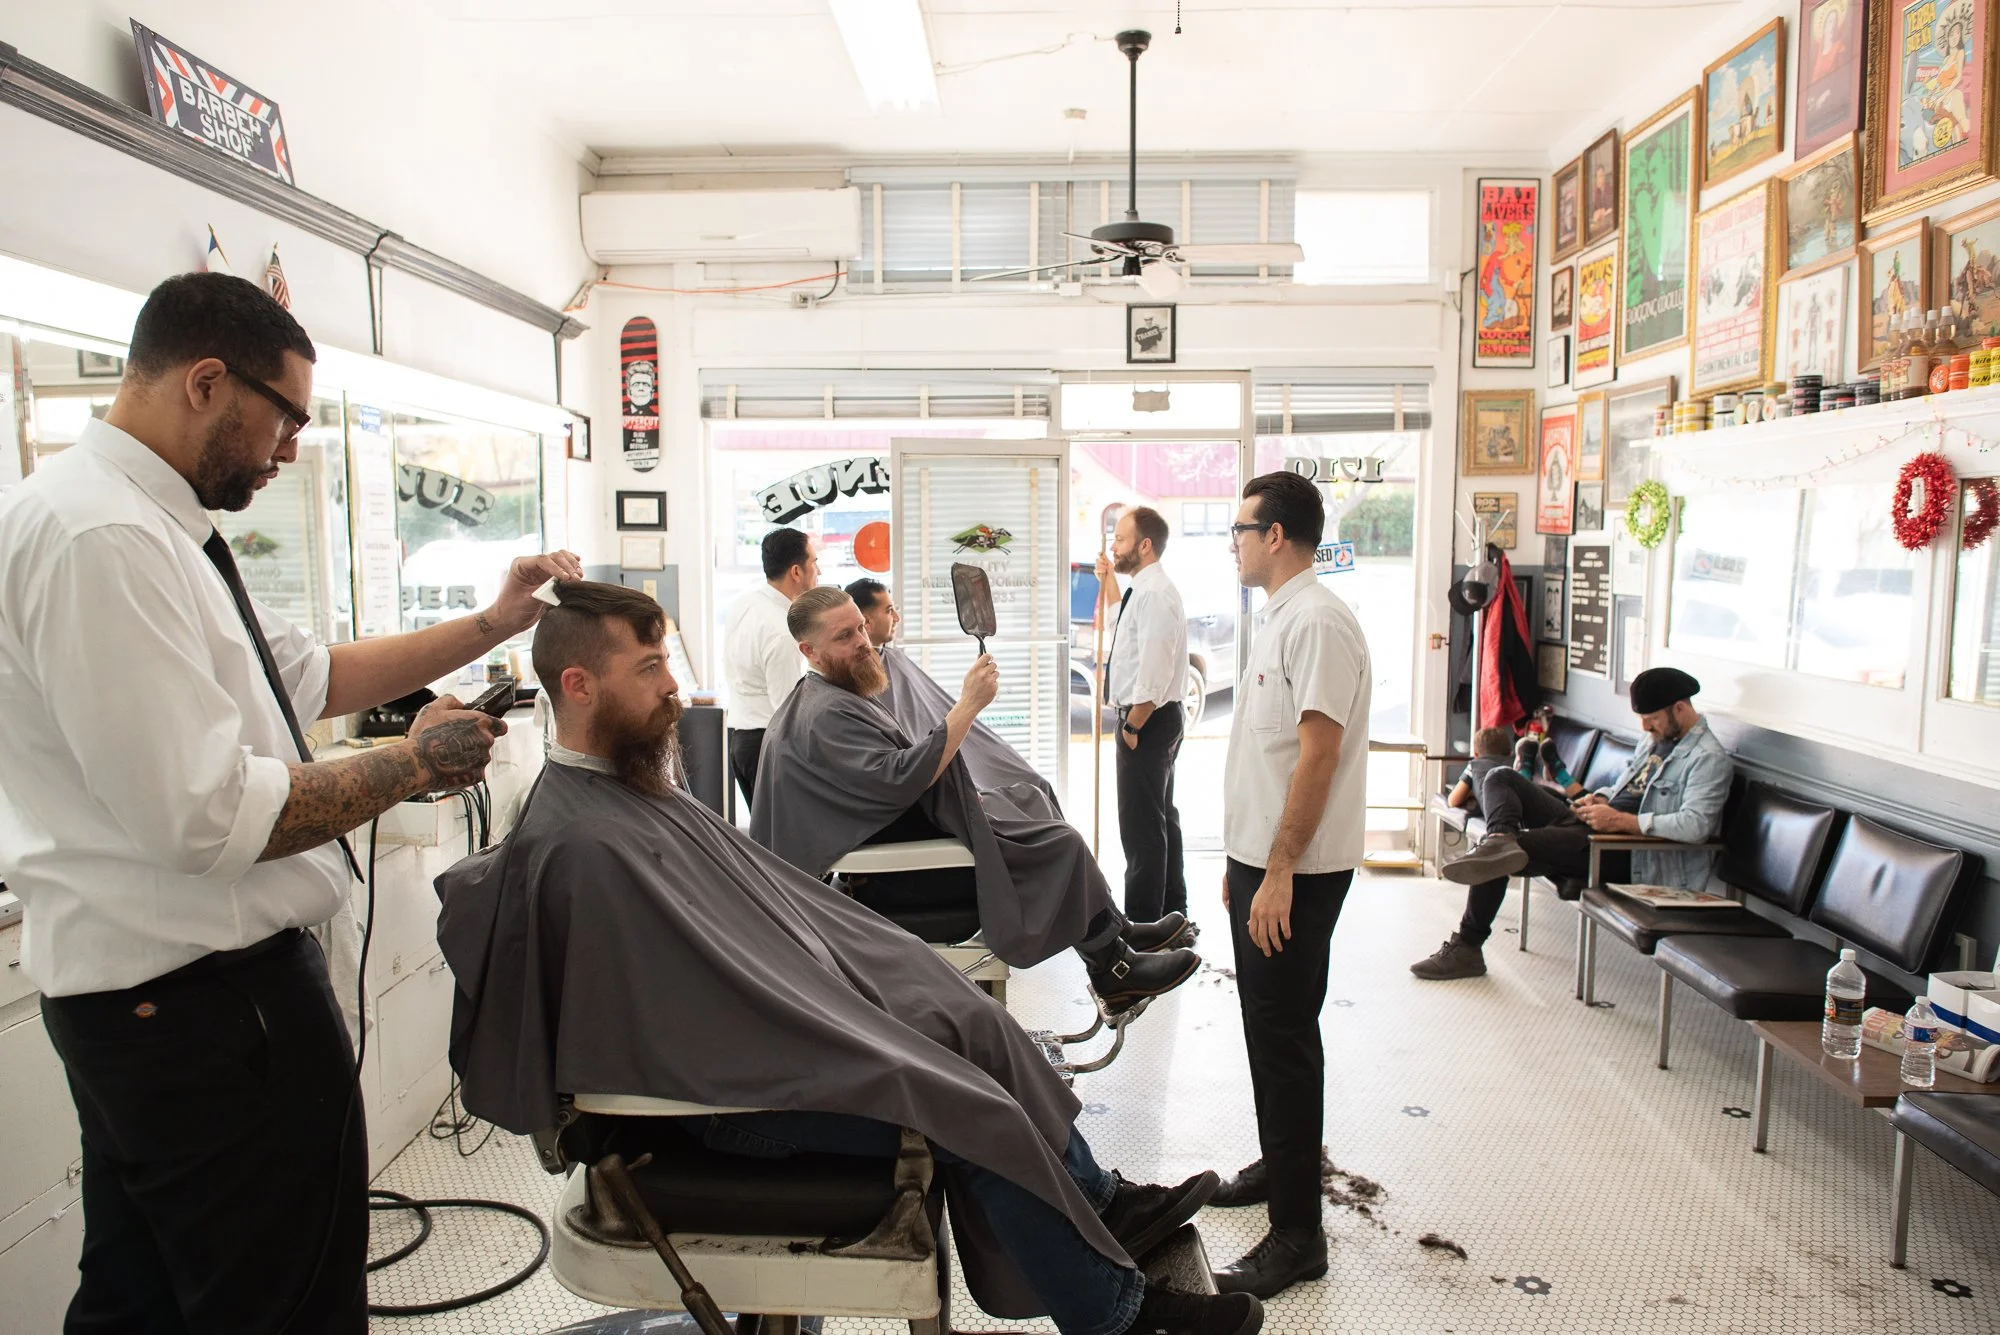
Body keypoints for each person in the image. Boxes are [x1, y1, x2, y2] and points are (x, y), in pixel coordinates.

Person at [436, 580, 1265, 1335]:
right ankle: (1118, 1317)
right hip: (723, 1105)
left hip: (749, 1048)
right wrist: (835, 1014)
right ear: (578, 685)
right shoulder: (583, 845)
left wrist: (847, 973)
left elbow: (738, 932)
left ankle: (1102, 1202)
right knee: (962, 1103)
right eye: (649, 667)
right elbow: (665, 1027)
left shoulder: (623, 793)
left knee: (967, 1015)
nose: (672, 687)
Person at [0, 271, 582, 1333]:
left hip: (161, 1009)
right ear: (208, 382)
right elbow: (207, 819)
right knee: (284, 1304)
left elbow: (307, 676)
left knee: (141, 1304)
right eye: (286, 418)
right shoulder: (105, 542)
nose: (289, 449)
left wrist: (491, 625)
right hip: (205, 1015)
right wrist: (412, 764)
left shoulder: (148, 530)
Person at [752, 588, 1199, 1010]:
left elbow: (888, 779)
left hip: (891, 834)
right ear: (808, 651)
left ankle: (1115, 932)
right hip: (892, 875)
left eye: (861, 629)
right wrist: (966, 707)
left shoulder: (832, 695)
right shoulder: (825, 713)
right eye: (844, 636)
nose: (863, 643)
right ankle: (1114, 971)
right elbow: (899, 778)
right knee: (1057, 842)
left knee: (1027, 797)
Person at [1210, 471, 1372, 1301]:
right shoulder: (1281, 618)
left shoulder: (1318, 621)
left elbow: (1318, 756)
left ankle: (1299, 1234)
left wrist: (1275, 870)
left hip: (1298, 871)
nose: (1231, 542)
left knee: (1283, 1037)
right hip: (1265, 864)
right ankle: (1281, 1167)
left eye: (1238, 528)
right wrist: (1242, 863)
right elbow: (1264, 758)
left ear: (1275, 534)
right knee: (1267, 1026)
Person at [1412, 667, 1733, 982]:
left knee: (1509, 852)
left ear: (1680, 707)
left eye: (1652, 718)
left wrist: (1622, 821)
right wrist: (1601, 800)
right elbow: (1626, 787)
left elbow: (1696, 826)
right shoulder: (1654, 740)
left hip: (1622, 851)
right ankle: (1498, 837)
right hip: (1593, 824)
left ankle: (1468, 946)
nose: (1645, 726)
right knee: (1499, 776)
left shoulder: (1708, 758)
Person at [847, 577, 1060, 808]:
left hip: (959, 755)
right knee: (1020, 799)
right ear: (866, 621)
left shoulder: (894, 659)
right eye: (889, 611)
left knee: (1036, 783)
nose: (897, 618)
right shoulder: (865, 678)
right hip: (932, 772)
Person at [1095, 507, 1191, 923]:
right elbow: (1122, 623)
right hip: (1155, 720)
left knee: (1141, 829)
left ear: (1144, 545)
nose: (1113, 547)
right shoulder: (1144, 588)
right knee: (1159, 817)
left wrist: (1133, 723)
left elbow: (1155, 667)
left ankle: (1144, 924)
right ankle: (1172, 913)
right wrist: (1108, 579)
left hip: (1147, 722)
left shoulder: (1153, 593)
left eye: (1120, 539)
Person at [722, 526, 819, 807]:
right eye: (814, 562)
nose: (819, 571)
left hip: (741, 741)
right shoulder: (781, 630)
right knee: (785, 844)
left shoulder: (745, 604)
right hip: (768, 745)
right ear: (796, 572)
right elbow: (787, 711)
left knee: (765, 839)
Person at [1445, 727, 1529, 818]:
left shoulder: (1474, 766)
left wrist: (1472, 790)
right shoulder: (1514, 764)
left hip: (1494, 815)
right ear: (1510, 752)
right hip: (1520, 813)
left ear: (1476, 755)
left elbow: (1453, 800)